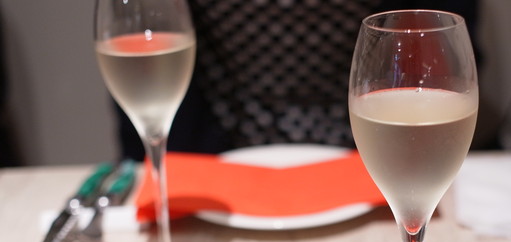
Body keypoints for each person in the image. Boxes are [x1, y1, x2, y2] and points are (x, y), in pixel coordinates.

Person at [117, 0, 481, 161]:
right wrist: (151, 163)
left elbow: (442, 41)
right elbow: (139, 33)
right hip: (218, 146)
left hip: (374, 143)